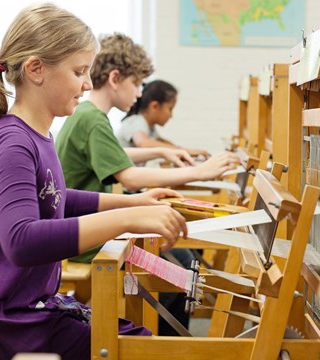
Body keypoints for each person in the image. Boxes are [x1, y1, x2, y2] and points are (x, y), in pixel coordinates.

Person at [0, 4, 187, 359]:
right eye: (79, 71)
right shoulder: (13, 141)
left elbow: (59, 197)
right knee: (136, 347)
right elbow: (21, 240)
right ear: (35, 69)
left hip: (21, 301)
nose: (88, 84)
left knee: (135, 338)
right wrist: (125, 219)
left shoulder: (35, 135)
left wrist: (135, 203)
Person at [54, 33, 239, 335]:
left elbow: (114, 155)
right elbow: (130, 176)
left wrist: (160, 150)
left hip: (85, 229)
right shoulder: (92, 119)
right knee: (175, 275)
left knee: (181, 260)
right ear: (115, 78)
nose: (139, 94)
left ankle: (166, 342)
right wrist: (200, 173)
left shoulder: (89, 117)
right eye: (136, 83)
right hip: (85, 239)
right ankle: (165, 347)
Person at [116, 79, 210, 159]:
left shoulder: (150, 128)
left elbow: (162, 142)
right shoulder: (137, 121)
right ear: (155, 106)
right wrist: (183, 151)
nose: (171, 115)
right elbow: (143, 143)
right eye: (170, 109)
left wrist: (183, 152)